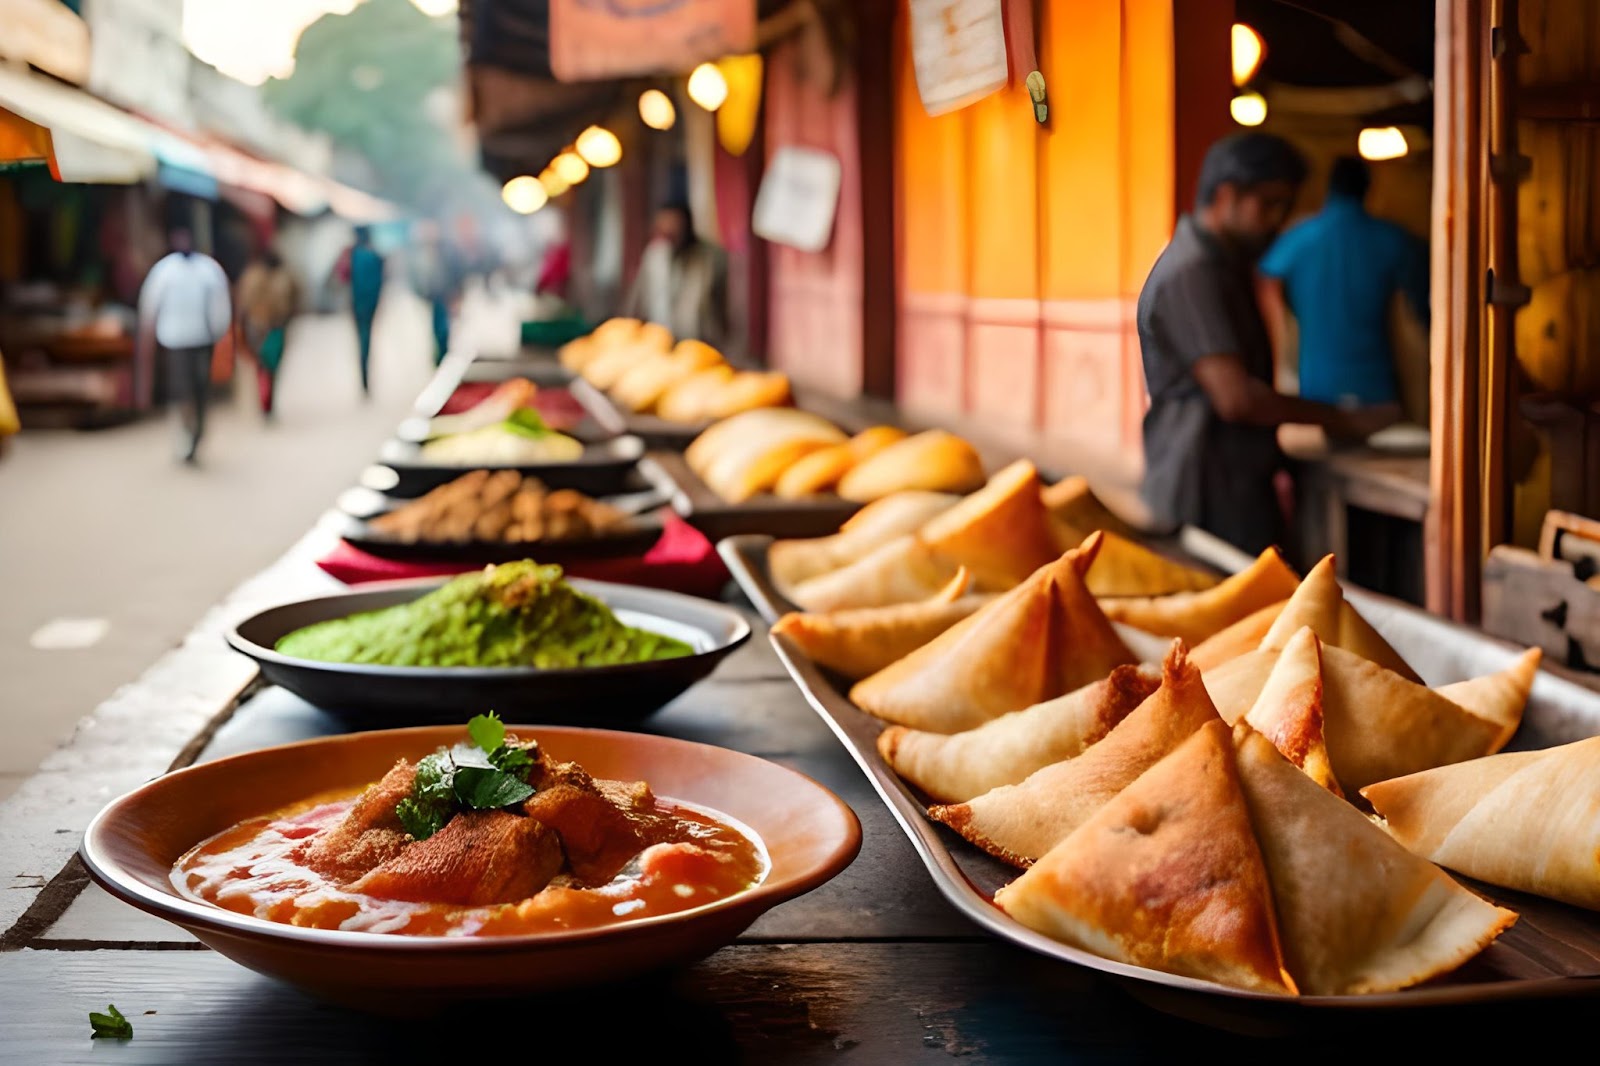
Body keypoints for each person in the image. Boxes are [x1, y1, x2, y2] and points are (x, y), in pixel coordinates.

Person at [1135, 133, 1400, 554]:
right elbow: (1237, 399)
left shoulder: (1224, 264)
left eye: (1285, 206)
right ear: (1226, 196)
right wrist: (1345, 420)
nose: (1278, 219)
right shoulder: (1194, 273)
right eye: (1268, 203)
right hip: (1202, 491)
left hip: (1230, 484)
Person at [1257, 156, 1430, 408]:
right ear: (1368, 189)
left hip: (1316, 387)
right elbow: (1424, 309)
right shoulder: (1393, 241)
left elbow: (1264, 283)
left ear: (1329, 189)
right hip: (1376, 387)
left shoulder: (1297, 240)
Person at [137, 227, 232, 463]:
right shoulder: (165, 270)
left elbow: (221, 304)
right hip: (175, 340)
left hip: (202, 339)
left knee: (200, 390)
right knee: (182, 392)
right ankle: (185, 437)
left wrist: (218, 332)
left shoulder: (208, 270)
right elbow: (150, 304)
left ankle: (197, 436)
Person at [624, 200, 727, 345]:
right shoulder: (655, 255)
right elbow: (638, 297)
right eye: (664, 227)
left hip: (701, 342)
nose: (669, 231)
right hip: (660, 340)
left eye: (675, 226)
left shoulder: (710, 257)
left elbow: (723, 305)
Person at [236, 248, 298, 417]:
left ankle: (264, 400)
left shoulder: (251, 276)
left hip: (257, 326)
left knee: (262, 365)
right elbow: (294, 301)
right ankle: (267, 401)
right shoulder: (284, 277)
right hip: (275, 327)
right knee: (271, 366)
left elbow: (243, 303)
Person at [345, 226, 384, 395]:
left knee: (361, 340)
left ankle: (364, 377)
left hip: (358, 304)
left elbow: (343, 277)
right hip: (370, 304)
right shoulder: (374, 255)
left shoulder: (353, 255)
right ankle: (365, 377)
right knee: (366, 340)